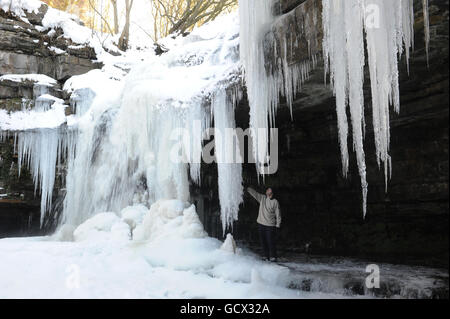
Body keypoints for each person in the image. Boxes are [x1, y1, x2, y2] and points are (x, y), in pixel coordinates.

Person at [247, 187, 281, 262]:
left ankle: (273, 256)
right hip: (261, 224)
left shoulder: (275, 202)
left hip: (270, 225)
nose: (267, 191)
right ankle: (265, 256)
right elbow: (255, 194)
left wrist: (278, 225)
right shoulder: (262, 198)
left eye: (269, 190)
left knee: (270, 241)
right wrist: (248, 189)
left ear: (272, 192)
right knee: (263, 241)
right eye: (267, 190)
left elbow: (278, 214)